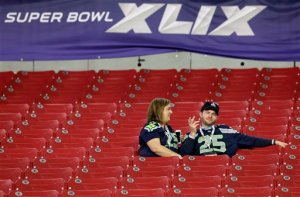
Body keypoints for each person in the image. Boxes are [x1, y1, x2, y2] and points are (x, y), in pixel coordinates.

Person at [180, 101, 288, 157]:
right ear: (201, 114)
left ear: (217, 117)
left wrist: (273, 141)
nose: (210, 115)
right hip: (200, 169)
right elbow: (184, 154)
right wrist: (193, 134)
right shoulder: (191, 134)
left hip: (221, 167)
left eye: (213, 114)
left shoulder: (226, 130)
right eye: (207, 112)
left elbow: (250, 140)